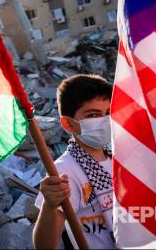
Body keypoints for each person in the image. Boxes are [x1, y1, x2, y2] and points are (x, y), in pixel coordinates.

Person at [33, 74, 115, 249]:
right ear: (68, 124)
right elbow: (45, 246)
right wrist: (50, 205)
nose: (104, 121)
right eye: (93, 115)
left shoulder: (121, 159)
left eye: (108, 113)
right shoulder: (65, 171)